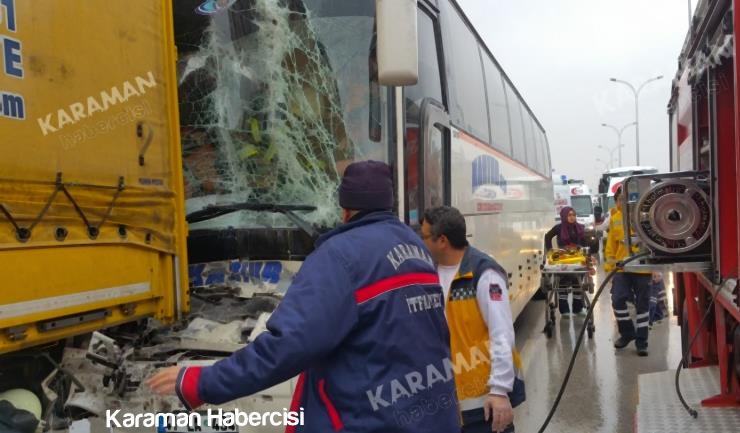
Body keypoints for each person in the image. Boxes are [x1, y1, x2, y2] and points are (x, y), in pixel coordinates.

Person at [147, 161, 461, 433]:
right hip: (432, 414)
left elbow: (287, 346)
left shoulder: (339, 256)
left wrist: (202, 383)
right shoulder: (415, 247)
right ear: (389, 203)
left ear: (344, 210)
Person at [421, 207, 525, 433]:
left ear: (442, 241)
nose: (421, 242)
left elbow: (502, 333)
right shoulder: (429, 273)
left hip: (484, 405)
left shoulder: (483, 274)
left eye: (424, 237)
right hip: (449, 403)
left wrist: (499, 391)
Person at [604, 187, 652, 357]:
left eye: (626, 199)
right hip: (622, 267)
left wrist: (657, 268)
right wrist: (610, 269)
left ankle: (641, 342)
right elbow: (611, 246)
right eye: (620, 199)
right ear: (616, 201)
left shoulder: (645, 216)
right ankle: (627, 333)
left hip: (643, 267)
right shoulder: (615, 219)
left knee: (642, 305)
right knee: (617, 299)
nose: (623, 202)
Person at [543, 206, 587, 315]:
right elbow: (547, 237)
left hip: (577, 259)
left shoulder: (580, 227)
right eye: (569, 215)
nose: (572, 217)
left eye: (574, 215)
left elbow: (584, 242)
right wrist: (550, 251)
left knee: (577, 284)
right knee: (563, 284)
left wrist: (585, 251)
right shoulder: (558, 228)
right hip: (563, 259)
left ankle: (578, 309)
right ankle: (564, 310)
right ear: (564, 216)